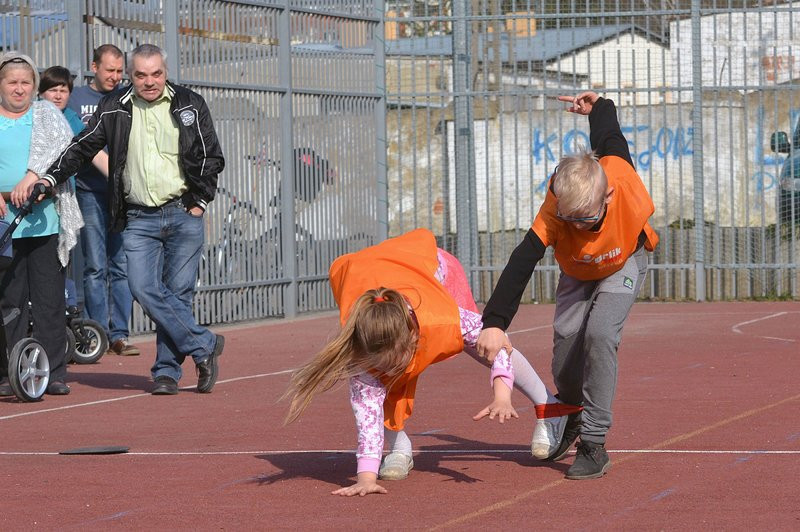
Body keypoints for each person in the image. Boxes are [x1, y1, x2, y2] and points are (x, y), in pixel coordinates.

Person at [284, 228, 581, 497]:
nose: (388, 371)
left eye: (393, 361)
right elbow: (367, 416)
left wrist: (502, 395)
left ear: (413, 337)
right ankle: (399, 447)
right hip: (378, 273)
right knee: (375, 385)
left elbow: (497, 340)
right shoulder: (361, 349)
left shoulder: (440, 319)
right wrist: (366, 478)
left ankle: (550, 407)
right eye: (381, 364)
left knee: (479, 343)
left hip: (436, 269)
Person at [476, 91, 659, 480]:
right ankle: (570, 411)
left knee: (600, 334)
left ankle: (593, 443)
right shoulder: (554, 211)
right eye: (569, 219)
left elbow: (609, 135)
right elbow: (522, 261)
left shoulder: (620, 177)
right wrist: (494, 322)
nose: (576, 226)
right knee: (565, 354)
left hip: (623, 261)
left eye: (585, 220)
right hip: (577, 271)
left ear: (607, 196)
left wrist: (600, 107)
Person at [38, 44, 225, 395]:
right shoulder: (115, 106)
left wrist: (200, 201)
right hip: (138, 215)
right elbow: (82, 146)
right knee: (143, 288)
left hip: (184, 211)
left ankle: (166, 372)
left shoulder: (190, 103)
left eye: (156, 74)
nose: (149, 82)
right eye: (141, 75)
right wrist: (50, 177)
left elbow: (210, 155)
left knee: (178, 295)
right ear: (130, 76)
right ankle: (204, 344)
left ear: (165, 72)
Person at [0, 51, 83, 396]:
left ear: (34, 85)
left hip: (44, 220)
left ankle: (54, 372)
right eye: (12, 82)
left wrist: (34, 176)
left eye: (26, 82)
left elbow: (64, 152)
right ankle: (11, 372)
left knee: (49, 299)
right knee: (10, 301)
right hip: (4, 224)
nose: (19, 89)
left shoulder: (47, 115)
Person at [67, 44, 139, 357]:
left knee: (121, 265)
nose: (115, 76)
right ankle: (97, 335)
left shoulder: (128, 98)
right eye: (109, 70)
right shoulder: (76, 99)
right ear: (94, 66)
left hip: (124, 194)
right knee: (95, 266)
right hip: (90, 192)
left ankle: (119, 335)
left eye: (120, 71)